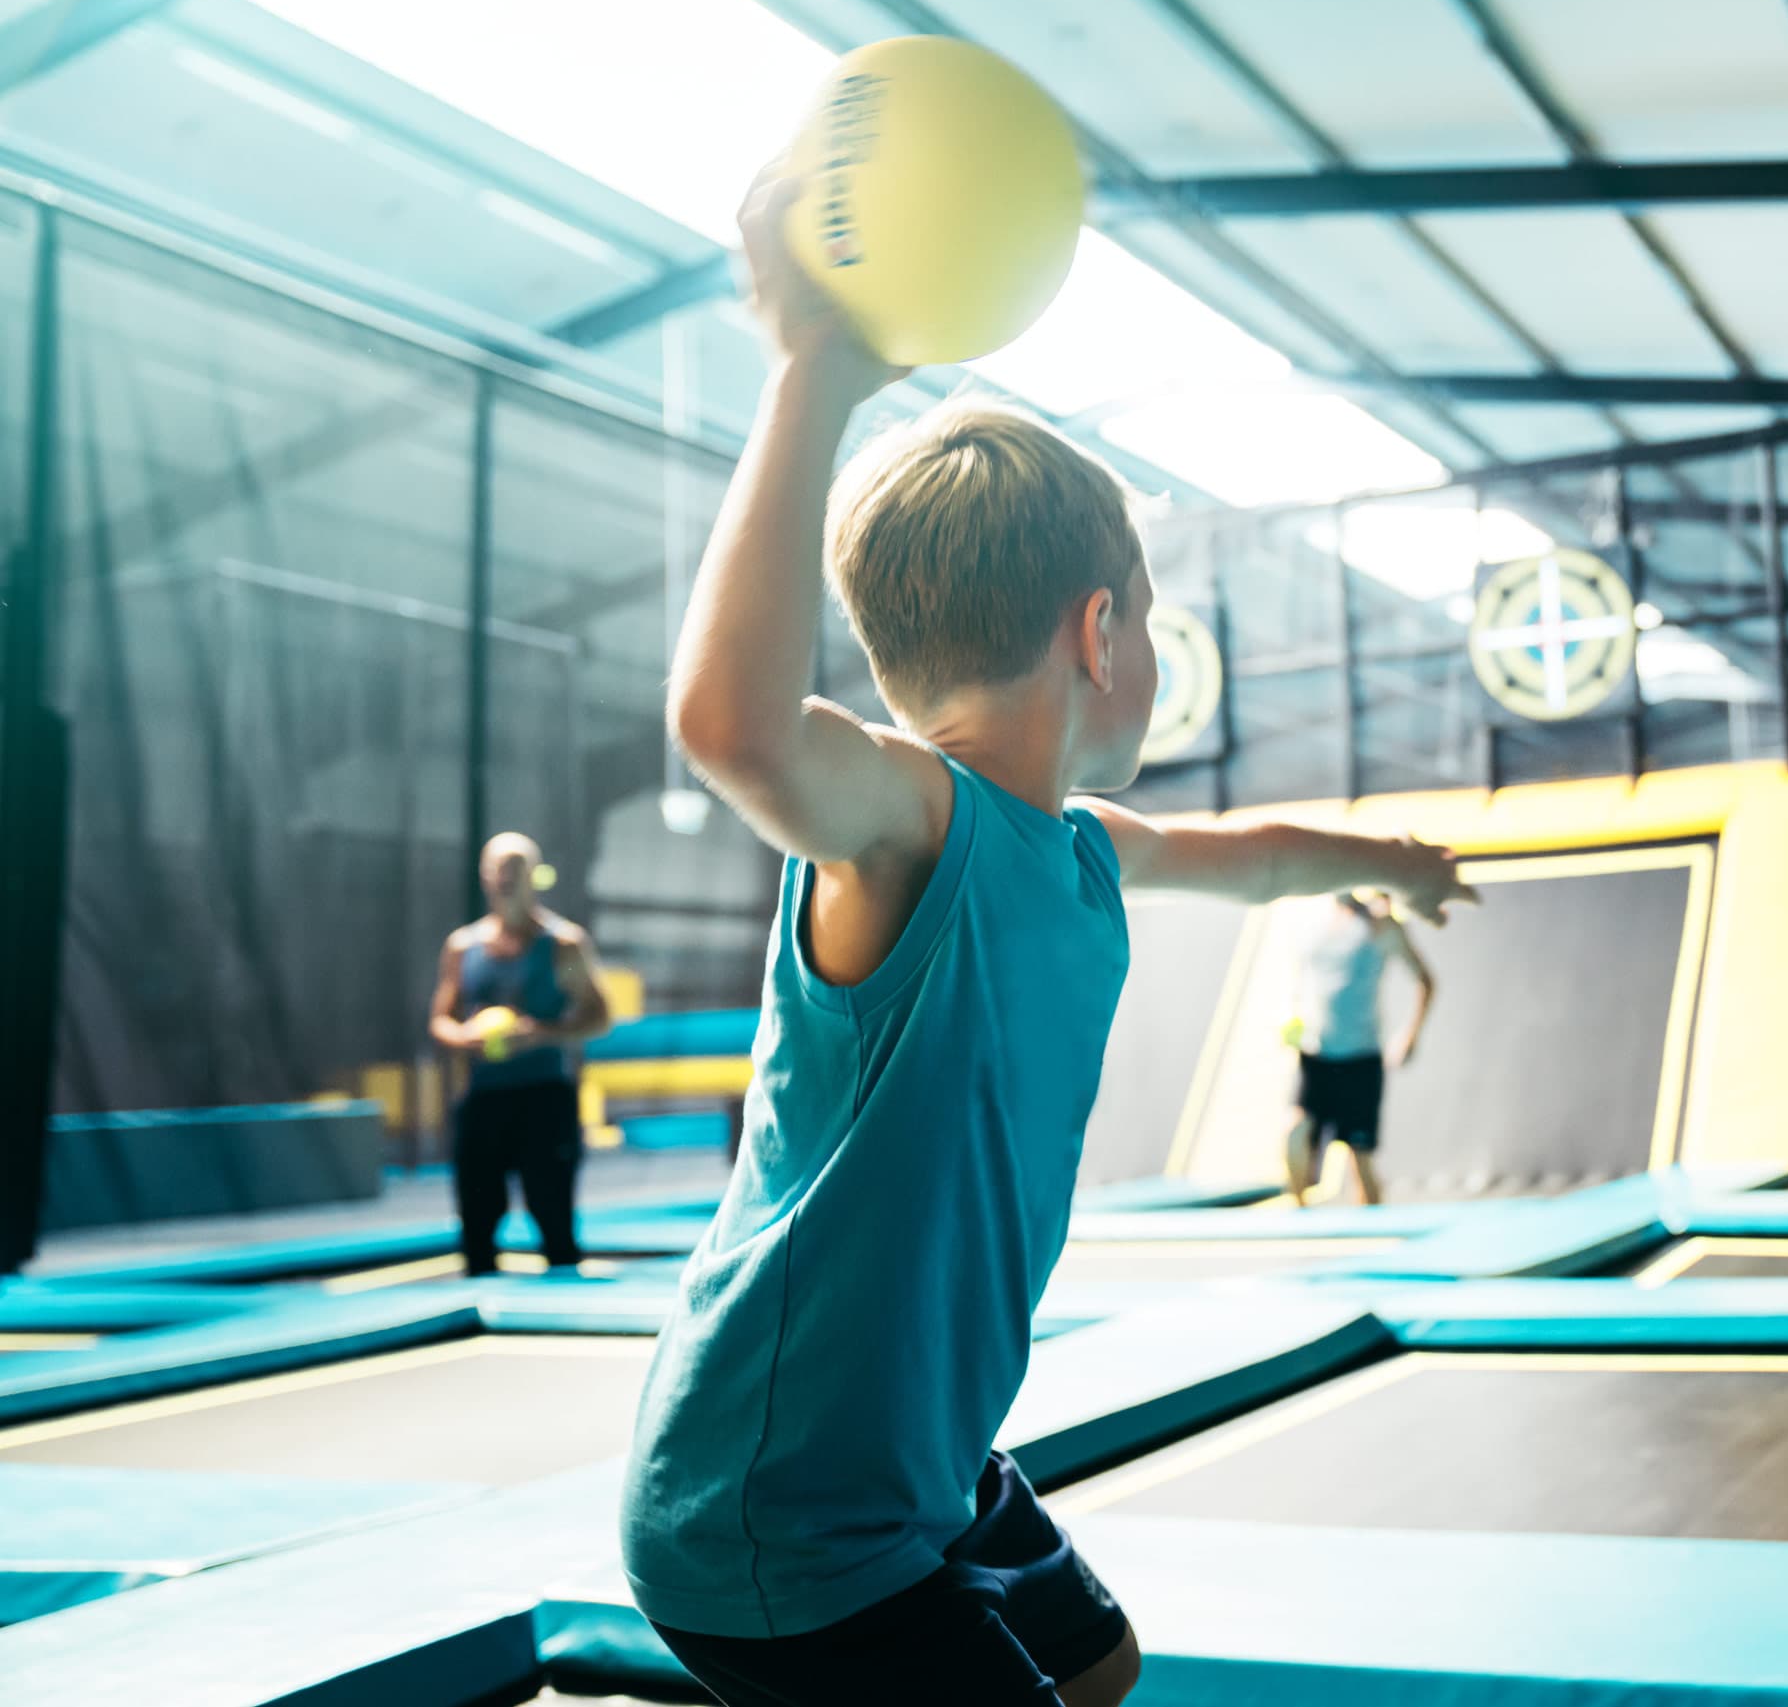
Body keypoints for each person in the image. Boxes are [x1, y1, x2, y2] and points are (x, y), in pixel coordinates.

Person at [619, 164, 1475, 1707]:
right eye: (1149, 620)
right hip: (786, 1510)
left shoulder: (1075, 850)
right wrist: (815, 369)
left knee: (1101, 1667)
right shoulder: (909, 828)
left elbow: (1256, 854)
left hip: (924, 1466)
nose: (1147, 649)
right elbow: (731, 725)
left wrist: (1394, 858)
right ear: (1100, 631)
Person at [427, 832, 613, 1278]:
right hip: (483, 1100)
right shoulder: (462, 947)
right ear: (484, 877)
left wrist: (540, 1034)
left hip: (544, 1100)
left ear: (534, 876)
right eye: (497, 869)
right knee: (476, 1226)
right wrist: (465, 1037)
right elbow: (440, 1020)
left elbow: (599, 1015)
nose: (505, 879)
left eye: (515, 870)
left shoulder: (564, 943)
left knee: (554, 1221)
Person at [1286, 890, 1434, 1206]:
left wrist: (1410, 1035)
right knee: (1296, 1133)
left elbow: (1425, 980)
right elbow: (1308, 981)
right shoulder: (1316, 920)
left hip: (1360, 1058)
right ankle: (1299, 1218)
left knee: (1360, 1157)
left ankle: (1376, 1240)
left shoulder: (1383, 927)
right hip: (1316, 1053)